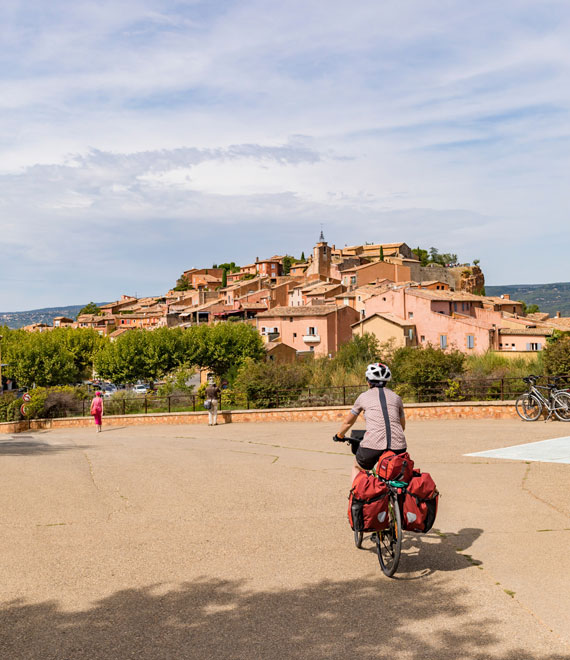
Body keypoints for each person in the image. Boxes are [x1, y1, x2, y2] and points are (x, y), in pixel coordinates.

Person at [334, 363, 406, 482]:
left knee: (357, 467)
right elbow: (402, 426)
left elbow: (348, 422)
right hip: (399, 446)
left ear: (368, 381)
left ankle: (357, 495)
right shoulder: (396, 398)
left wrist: (339, 435)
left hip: (372, 445)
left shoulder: (363, 397)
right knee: (396, 473)